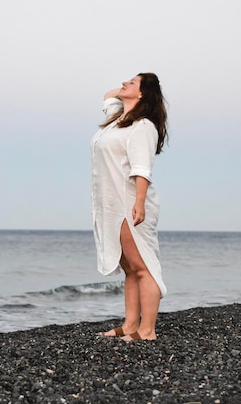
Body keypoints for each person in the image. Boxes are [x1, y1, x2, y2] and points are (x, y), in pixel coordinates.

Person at [90, 72, 168, 341]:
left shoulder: (143, 126)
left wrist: (139, 203)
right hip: (111, 205)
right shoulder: (118, 119)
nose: (123, 83)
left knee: (142, 266)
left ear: (143, 93)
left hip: (130, 204)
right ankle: (131, 325)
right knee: (129, 269)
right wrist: (129, 90)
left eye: (131, 82)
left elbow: (141, 169)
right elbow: (108, 95)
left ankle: (148, 331)